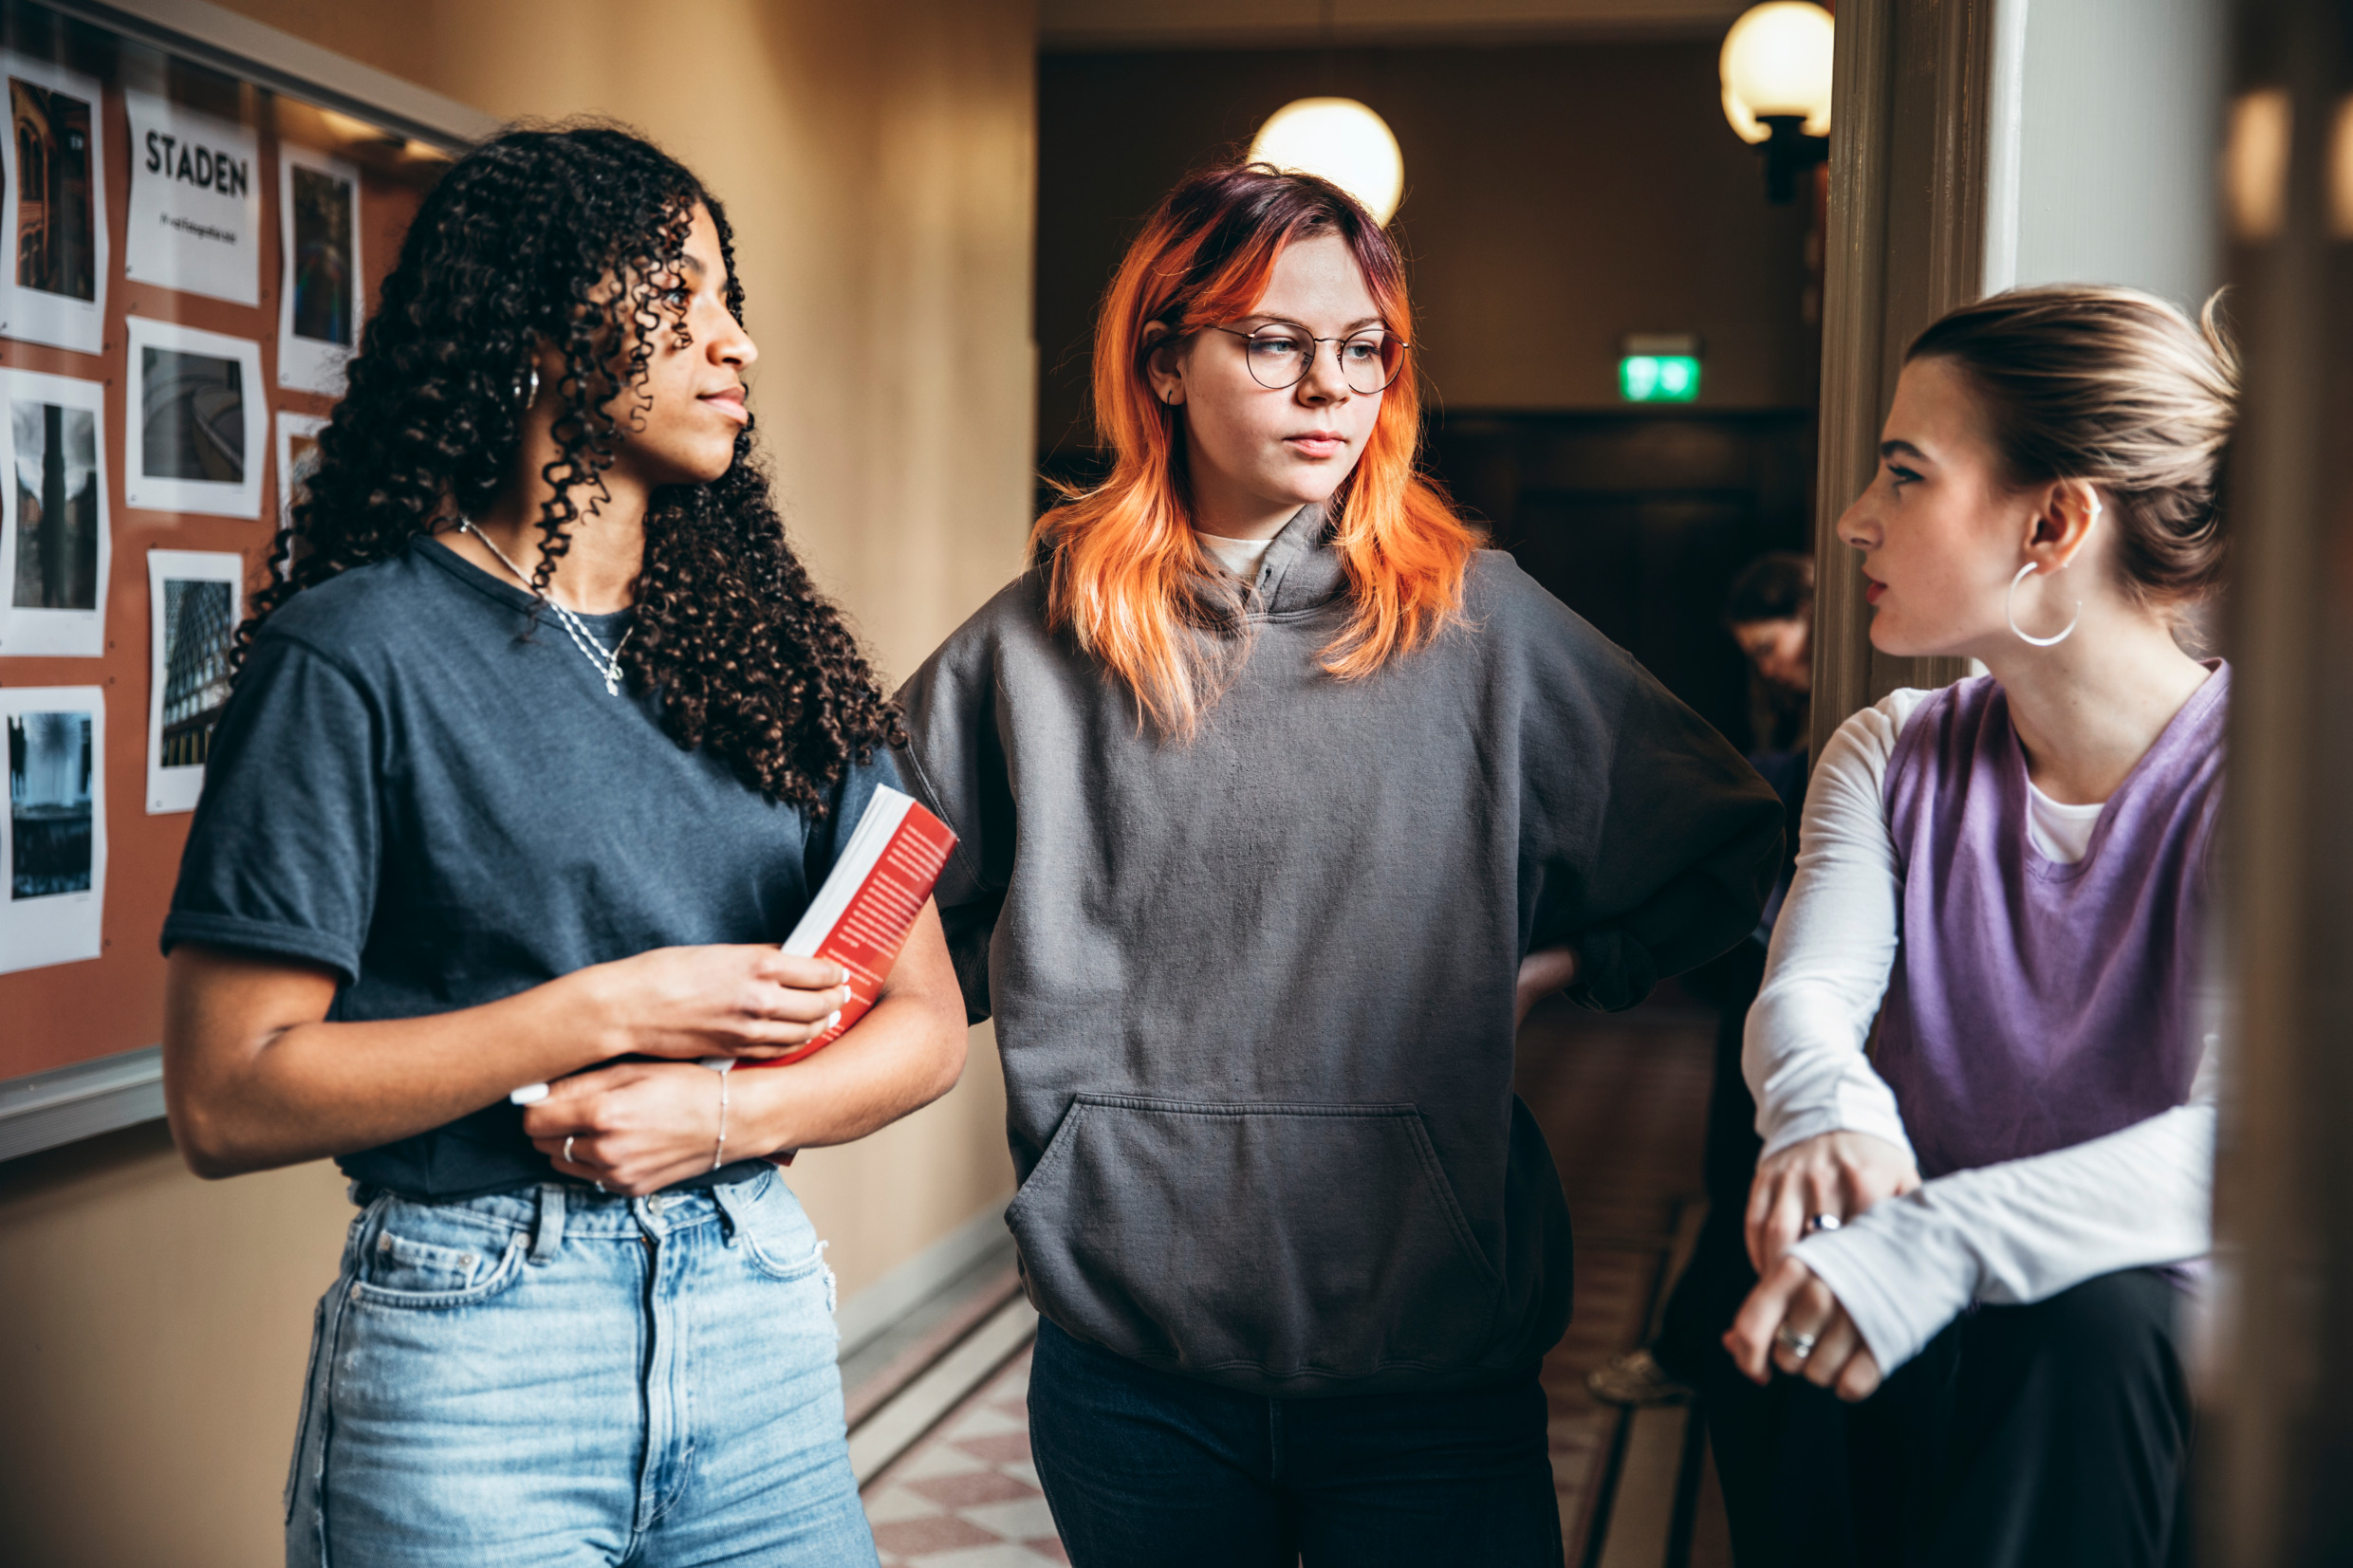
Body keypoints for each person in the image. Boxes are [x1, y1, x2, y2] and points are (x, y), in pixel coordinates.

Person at [895, 163, 1786, 1568]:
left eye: (1364, 349)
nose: (1331, 387)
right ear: (1164, 364)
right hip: (1133, 1370)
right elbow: (876, 917)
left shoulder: (1479, 624)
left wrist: (1555, 968)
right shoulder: (1031, 643)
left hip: (1429, 1369)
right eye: (1273, 342)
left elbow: (1733, 849)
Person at [159, 125, 968, 1568]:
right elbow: (227, 1096)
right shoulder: (350, 660)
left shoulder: (775, 653)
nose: (739, 347)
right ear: (539, 329)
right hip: (474, 1352)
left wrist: (725, 1118)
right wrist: (607, 1010)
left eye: (734, 299)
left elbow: (927, 1024)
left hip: (755, 1314)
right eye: (686, 293)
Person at [1724, 285, 2234, 1566]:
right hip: (1912, 1330)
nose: (1853, 518)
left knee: (2097, 1326)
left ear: (2055, 521)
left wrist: (1931, 1245)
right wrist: (1825, 1112)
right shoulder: (1887, 751)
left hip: (2157, 1390)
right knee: (1784, 1293)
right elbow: (1807, 1002)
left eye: (1903, 473)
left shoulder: (2282, 782)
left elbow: (2244, 1148)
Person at [1589, 553, 1856, 1565]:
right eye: (1756, 654)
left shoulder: (1852, 725)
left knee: (1744, 1173)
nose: (1774, 666)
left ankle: (1682, 1350)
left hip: (1789, 971)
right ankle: (1689, 1349)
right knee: (1723, 1167)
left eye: (1777, 643)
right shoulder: (1796, 718)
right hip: (1761, 969)